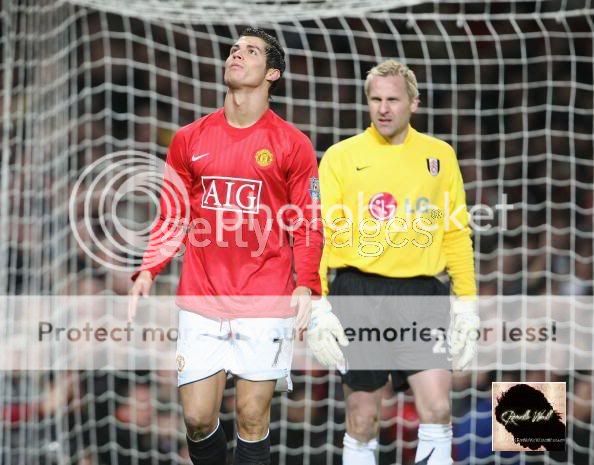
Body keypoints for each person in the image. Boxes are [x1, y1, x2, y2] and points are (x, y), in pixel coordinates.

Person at [128, 27, 344, 465]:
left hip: (265, 297)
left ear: (273, 74)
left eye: (250, 52)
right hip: (202, 296)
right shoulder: (189, 138)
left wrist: (307, 285)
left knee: (250, 413)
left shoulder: (293, 144)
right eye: (233, 50)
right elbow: (173, 213)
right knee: (197, 417)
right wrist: (148, 269)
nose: (237, 56)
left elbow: (307, 222)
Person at [318, 59, 479, 465]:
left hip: (422, 295)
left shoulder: (439, 156)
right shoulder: (340, 156)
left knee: (438, 409)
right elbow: (319, 234)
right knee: (362, 417)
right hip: (357, 292)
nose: (383, 108)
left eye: (392, 99)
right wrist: (318, 305)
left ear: (414, 103)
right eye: (375, 99)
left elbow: (456, 231)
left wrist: (467, 303)